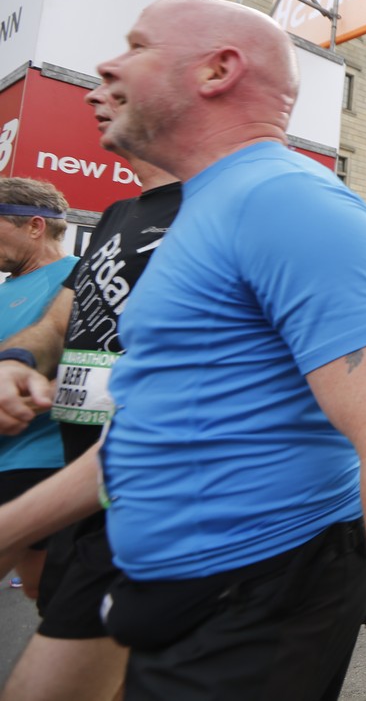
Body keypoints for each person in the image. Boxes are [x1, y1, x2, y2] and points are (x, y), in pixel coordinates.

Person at [0, 0, 366, 701]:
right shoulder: (202, 210)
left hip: (260, 594)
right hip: (164, 583)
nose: (107, 66)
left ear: (217, 70)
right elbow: (144, 435)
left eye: (138, 46)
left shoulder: (286, 199)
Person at [0, 86, 181, 701]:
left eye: (125, 79)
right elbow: (62, 320)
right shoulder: (116, 215)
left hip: (148, 501)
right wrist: (19, 359)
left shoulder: (219, 210)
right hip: (80, 483)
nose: (96, 90)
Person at [0, 179, 77, 599]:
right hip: (9, 460)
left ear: (34, 226)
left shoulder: (77, 277)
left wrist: (33, 393)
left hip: (39, 462)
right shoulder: (8, 288)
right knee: (41, 591)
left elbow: (106, 365)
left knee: (47, 591)